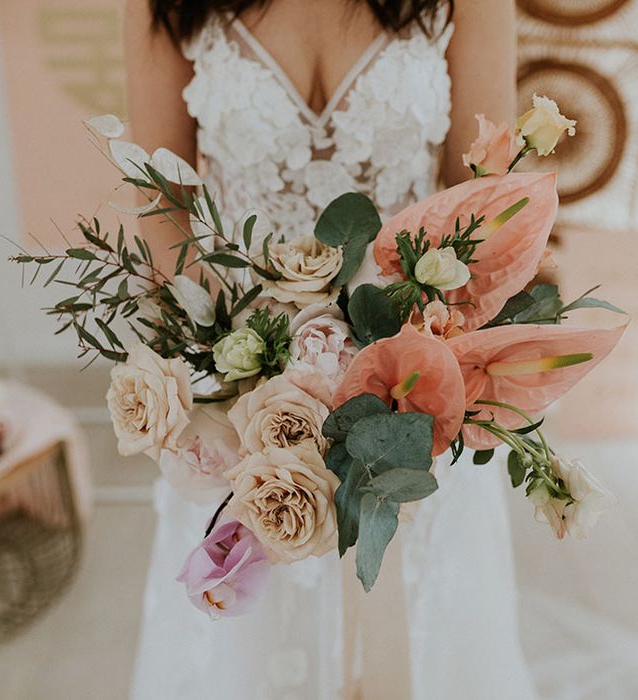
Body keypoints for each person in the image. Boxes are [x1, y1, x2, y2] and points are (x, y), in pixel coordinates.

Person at [123, 1, 539, 698]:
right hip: (242, 399)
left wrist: (410, 372)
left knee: (422, 632)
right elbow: (164, 208)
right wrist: (239, 376)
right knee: (247, 644)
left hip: (414, 387)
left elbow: (481, 199)